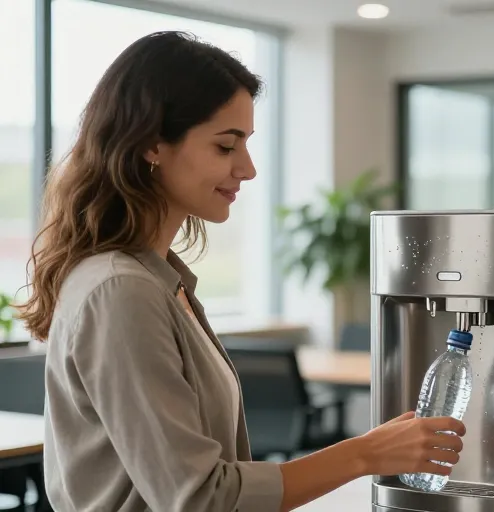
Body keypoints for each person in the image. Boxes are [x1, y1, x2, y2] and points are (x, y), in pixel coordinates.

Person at [17, 31, 465, 512]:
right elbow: (199, 498)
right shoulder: (121, 291)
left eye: (246, 145)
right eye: (225, 147)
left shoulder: (159, 281)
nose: (248, 169)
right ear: (151, 145)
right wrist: (364, 454)